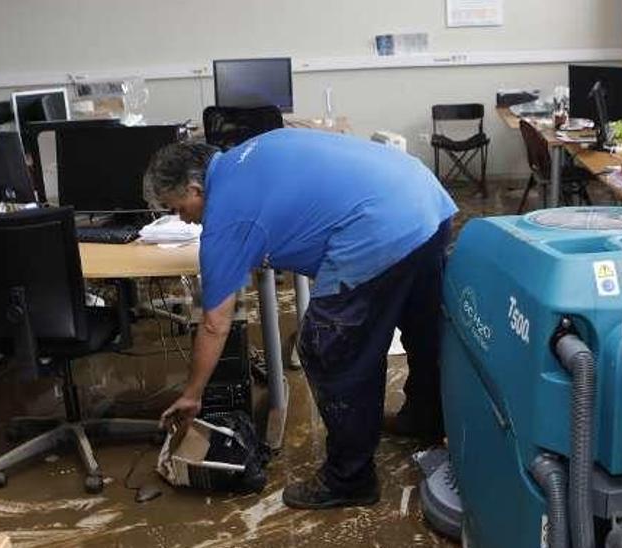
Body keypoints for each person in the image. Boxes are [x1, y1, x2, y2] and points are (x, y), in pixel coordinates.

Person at [147, 128, 456, 510]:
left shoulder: (225, 216)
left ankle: (350, 479)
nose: (184, 220)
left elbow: (215, 324)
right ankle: (427, 418)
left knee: (329, 349)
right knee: (422, 326)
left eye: (178, 209)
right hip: (427, 202)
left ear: (195, 189)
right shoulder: (252, 149)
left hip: (381, 227)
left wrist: (192, 394)